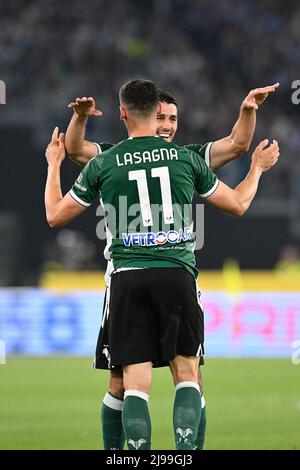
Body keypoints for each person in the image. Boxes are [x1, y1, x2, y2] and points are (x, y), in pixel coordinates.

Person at [44, 79, 279, 450]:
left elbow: (56, 212)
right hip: (177, 273)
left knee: (134, 383)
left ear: (123, 113)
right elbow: (237, 200)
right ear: (154, 115)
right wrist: (257, 169)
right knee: (186, 377)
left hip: (127, 277)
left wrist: (54, 163)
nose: (168, 124)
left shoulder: (107, 160)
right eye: (164, 117)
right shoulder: (186, 158)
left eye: (174, 118)